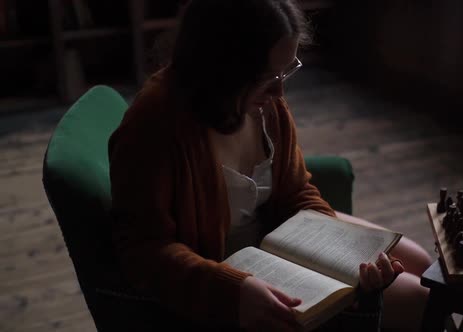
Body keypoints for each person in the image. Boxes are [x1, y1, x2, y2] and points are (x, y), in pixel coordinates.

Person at [108, 0, 432, 330]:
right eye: (266, 77)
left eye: (287, 70)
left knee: (420, 262)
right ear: (220, 66)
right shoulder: (153, 124)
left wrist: (337, 250)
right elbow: (142, 251)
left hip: (280, 241)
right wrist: (232, 292)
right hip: (224, 271)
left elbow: (296, 190)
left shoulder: (263, 102)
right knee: (420, 298)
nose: (279, 90)